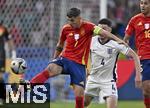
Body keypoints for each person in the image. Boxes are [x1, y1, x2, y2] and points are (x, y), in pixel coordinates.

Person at [22, 8, 126, 108]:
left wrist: (118, 40)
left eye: (72, 20)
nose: (70, 22)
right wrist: (54, 59)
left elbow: (104, 33)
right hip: (65, 59)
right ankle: (29, 85)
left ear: (79, 18)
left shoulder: (89, 27)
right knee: (50, 68)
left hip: (79, 65)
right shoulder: (66, 28)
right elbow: (60, 44)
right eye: (68, 20)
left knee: (79, 95)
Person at [84, 18, 142, 108]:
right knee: (83, 103)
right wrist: (84, 69)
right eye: (100, 29)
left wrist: (138, 75)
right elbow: (82, 55)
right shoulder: (91, 41)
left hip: (109, 81)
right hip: (93, 79)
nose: (102, 32)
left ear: (110, 30)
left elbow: (135, 56)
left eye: (104, 29)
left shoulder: (116, 44)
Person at [123, 0, 150, 107]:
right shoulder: (135, 19)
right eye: (141, 3)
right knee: (146, 89)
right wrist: (127, 50)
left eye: (146, 3)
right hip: (144, 58)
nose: (143, 6)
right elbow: (126, 39)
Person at [0, 23, 16, 104]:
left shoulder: (3, 28)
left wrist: (13, 52)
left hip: (1, 56)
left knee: (0, 77)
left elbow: (9, 40)